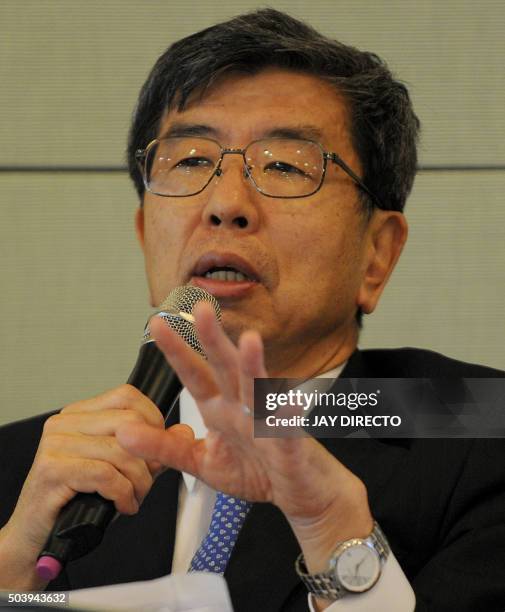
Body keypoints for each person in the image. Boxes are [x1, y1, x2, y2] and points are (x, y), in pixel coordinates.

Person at [0, 8, 504, 612]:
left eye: (285, 166)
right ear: (144, 236)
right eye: (189, 161)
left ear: (377, 253)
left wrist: (333, 530)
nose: (225, 205)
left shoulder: (475, 423)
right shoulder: (22, 470)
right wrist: (12, 572)